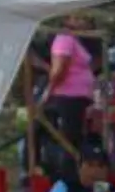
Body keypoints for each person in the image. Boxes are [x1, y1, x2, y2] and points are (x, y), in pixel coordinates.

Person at [39, 15, 98, 162]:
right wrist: (48, 91)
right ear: (67, 20)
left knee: (76, 138)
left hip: (78, 97)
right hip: (69, 96)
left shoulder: (74, 39)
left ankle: (75, 171)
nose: (84, 22)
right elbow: (59, 70)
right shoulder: (64, 39)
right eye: (79, 19)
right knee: (70, 140)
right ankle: (68, 173)